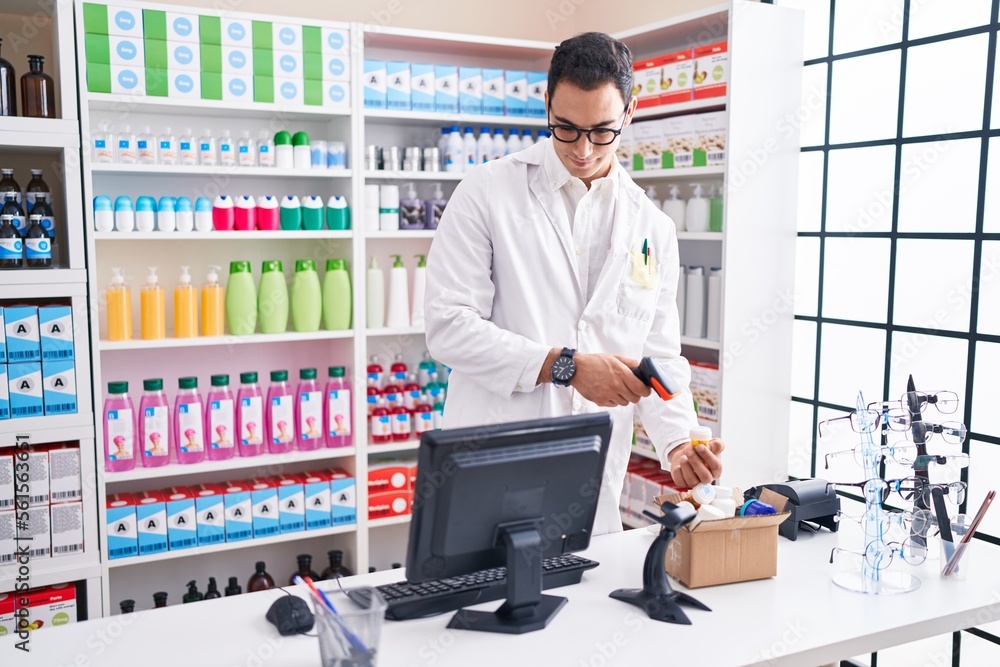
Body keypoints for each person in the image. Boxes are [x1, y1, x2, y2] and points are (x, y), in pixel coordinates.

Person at [424, 31, 725, 534]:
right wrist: (564, 366)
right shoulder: (487, 192)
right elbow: (448, 326)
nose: (583, 149)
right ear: (546, 105)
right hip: (494, 458)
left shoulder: (652, 227)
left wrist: (678, 443)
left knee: (586, 603)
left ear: (630, 112)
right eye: (566, 128)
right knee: (479, 597)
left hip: (591, 472)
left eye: (602, 131)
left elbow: (658, 357)